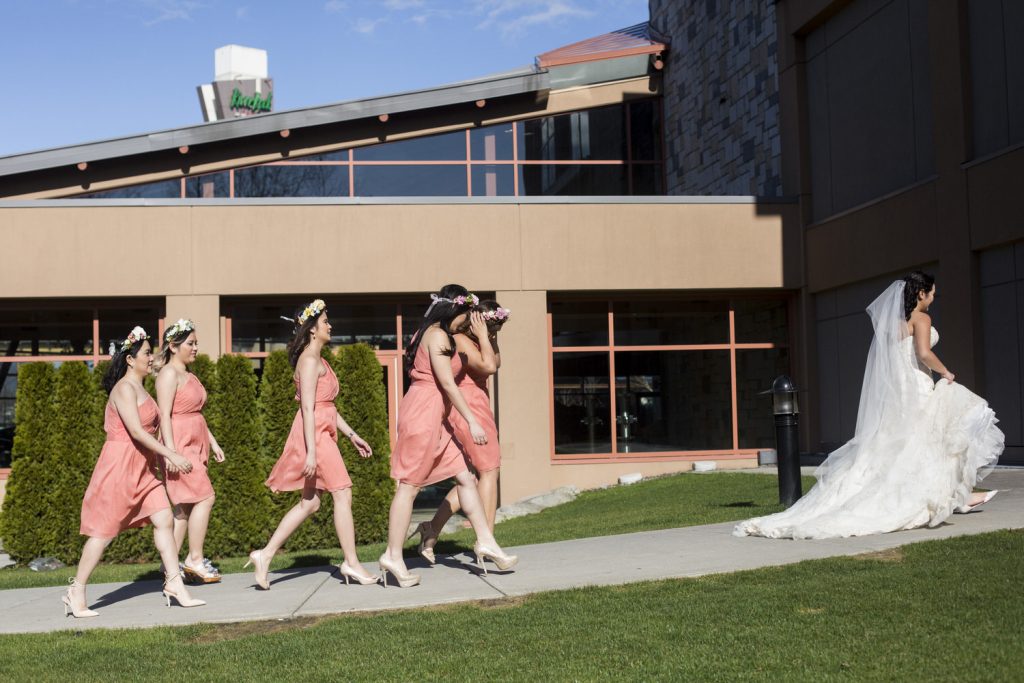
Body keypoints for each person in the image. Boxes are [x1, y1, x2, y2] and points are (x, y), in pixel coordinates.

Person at [735, 272, 1003, 539]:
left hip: (899, 392)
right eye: (932, 292)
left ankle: (957, 496)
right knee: (934, 439)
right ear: (921, 293)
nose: (933, 298)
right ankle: (950, 497)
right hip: (917, 386)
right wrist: (946, 372)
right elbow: (922, 353)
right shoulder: (922, 318)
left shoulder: (894, 324)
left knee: (909, 446)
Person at [380, 285, 518, 587]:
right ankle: (393, 554)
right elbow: (447, 382)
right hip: (425, 413)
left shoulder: (427, 333)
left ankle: (485, 541)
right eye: (465, 314)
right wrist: (472, 421)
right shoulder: (440, 336)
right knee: (408, 488)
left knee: (467, 478)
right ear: (453, 310)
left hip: (435, 412)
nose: (467, 321)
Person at [67, 327, 205, 617]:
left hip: (143, 468)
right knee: (103, 534)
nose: (152, 357)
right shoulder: (124, 389)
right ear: (130, 359)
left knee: (165, 518)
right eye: (145, 353)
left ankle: (175, 584)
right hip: (119, 468)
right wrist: (171, 453)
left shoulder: (143, 387)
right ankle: (76, 591)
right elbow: (136, 431)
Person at [247, 299, 377, 590]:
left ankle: (264, 554)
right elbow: (308, 408)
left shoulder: (320, 360)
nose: (331, 326)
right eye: (326, 322)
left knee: (310, 503)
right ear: (312, 329)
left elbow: (326, 406)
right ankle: (352, 562)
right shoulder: (308, 360)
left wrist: (352, 435)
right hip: (314, 435)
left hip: (323, 431)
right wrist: (312, 452)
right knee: (342, 493)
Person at [415, 300, 510, 563]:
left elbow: (496, 361)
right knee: (490, 470)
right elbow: (489, 367)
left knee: (470, 478)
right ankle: (487, 540)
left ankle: (430, 529)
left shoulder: (481, 340)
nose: (491, 331)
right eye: (489, 325)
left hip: (479, 404)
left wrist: (489, 337)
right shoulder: (460, 339)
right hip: (469, 407)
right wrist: (482, 336)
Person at [155, 319, 225, 584]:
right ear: (173, 346)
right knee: (205, 498)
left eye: (196, 343)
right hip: (179, 446)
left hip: (196, 444)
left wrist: (213, 442)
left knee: (183, 508)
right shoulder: (168, 375)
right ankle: (194, 559)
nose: (195, 348)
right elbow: (164, 414)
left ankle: (168, 567)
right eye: (190, 343)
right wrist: (171, 453)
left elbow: (197, 415)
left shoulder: (190, 375)